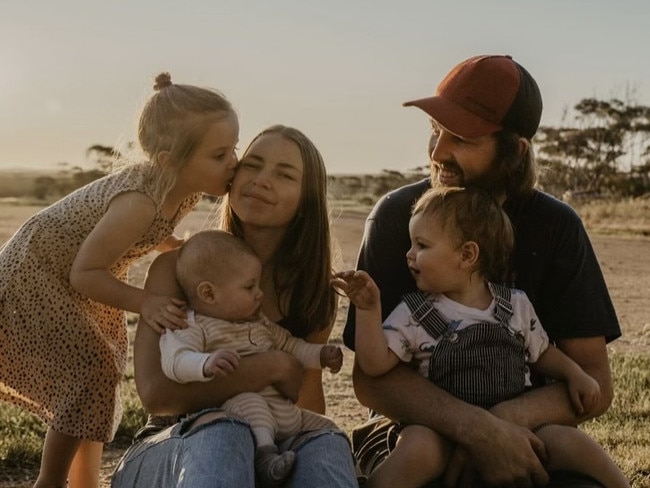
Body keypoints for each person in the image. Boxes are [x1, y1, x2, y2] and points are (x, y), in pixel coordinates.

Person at [343, 54, 622, 488]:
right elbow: (372, 382)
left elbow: (594, 385)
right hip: (414, 432)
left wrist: (504, 423)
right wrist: (473, 430)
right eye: (435, 132)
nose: (438, 153)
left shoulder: (557, 227)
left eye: (462, 138)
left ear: (516, 150)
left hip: (526, 433)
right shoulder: (398, 217)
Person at [0, 72, 238, 488]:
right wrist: (145, 301)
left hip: (84, 274)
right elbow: (84, 272)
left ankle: (85, 481)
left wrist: (170, 243)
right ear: (169, 160)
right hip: (40, 273)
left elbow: (153, 226)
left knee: (101, 373)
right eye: (219, 155)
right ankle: (51, 481)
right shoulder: (137, 203)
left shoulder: (185, 188)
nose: (233, 162)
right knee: (89, 371)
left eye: (233, 149)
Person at [111, 125, 358, 487]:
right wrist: (268, 367)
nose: (262, 180)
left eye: (284, 174)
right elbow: (158, 396)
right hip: (173, 445)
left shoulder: (311, 290)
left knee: (327, 444)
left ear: (307, 200)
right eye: (253, 165)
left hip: (267, 444)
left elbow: (303, 404)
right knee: (225, 434)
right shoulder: (178, 269)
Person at [335, 186, 629, 488]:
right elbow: (374, 366)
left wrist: (574, 373)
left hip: (518, 430)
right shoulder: (413, 313)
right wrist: (369, 310)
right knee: (418, 449)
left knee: (571, 443)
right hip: (439, 430)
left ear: (467, 255)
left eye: (421, 245)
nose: (409, 255)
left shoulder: (515, 305)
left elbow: (541, 354)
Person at [160, 229, 344, 485]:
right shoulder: (194, 325)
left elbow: (292, 347)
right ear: (209, 294)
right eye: (249, 287)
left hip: (283, 413)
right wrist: (205, 363)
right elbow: (175, 360)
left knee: (326, 429)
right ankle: (265, 458)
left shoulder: (260, 323)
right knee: (251, 404)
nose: (260, 294)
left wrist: (322, 355)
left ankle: (346, 464)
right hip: (243, 411)